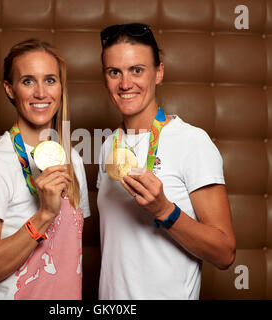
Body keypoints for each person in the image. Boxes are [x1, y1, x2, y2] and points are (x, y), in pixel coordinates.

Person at [97, 23, 236, 299]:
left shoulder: (192, 141)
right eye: (115, 72)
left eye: (137, 70)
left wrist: (165, 211)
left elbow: (225, 253)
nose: (125, 84)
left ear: (159, 72)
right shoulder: (107, 146)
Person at [0, 39, 90, 300]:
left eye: (50, 80)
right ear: (10, 89)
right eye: (28, 81)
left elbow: (66, 255)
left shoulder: (73, 160)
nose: (41, 93)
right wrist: (44, 214)